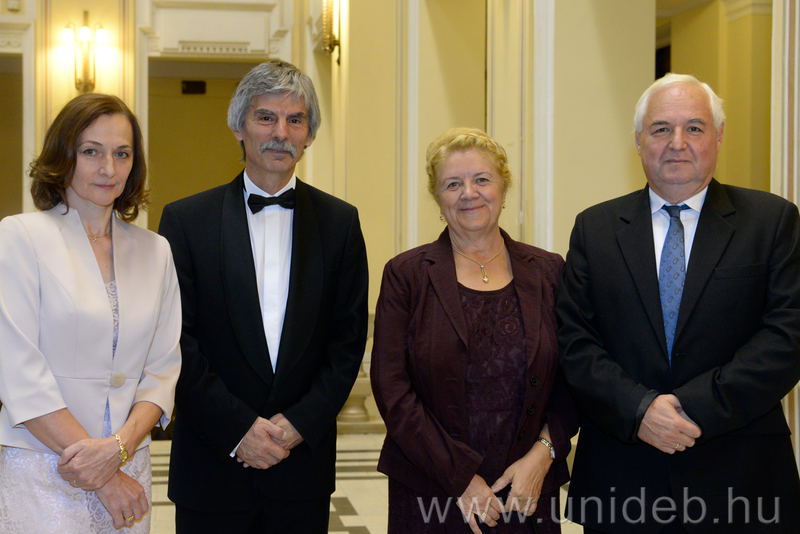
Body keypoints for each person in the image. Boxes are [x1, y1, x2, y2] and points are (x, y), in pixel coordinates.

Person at [557, 73, 800, 534]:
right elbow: (575, 342)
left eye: (694, 127)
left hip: (741, 477)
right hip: (622, 478)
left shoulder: (771, 222)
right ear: (638, 140)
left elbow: (786, 338)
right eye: (661, 128)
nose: (677, 143)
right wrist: (640, 410)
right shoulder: (594, 228)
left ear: (718, 136)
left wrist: (692, 408)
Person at [159, 59, 369, 533]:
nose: (281, 132)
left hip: (301, 470)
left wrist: (298, 425)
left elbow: (348, 340)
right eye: (266, 117)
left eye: (296, 120)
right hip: (211, 466)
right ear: (239, 127)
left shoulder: (341, 223)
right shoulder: (186, 222)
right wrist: (238, 429)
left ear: (310, 135)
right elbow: (176, 341)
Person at [371, 128, 578, 534]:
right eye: (453, 184)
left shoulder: (549, 271)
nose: (469, 193)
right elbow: (391, 388)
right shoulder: (406, 275)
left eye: (482, 179)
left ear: (504, 186)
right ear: (437, 197)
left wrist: (544, 454)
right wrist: (459, 476)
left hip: (527, 488)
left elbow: (573, 375)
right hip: (431, 489)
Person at [0, 93, 182, 532]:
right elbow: (18, 371)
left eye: (122, 154)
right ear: (63, 155)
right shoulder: (19, 237)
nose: (108, 169)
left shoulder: (155, 250)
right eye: (91, 152)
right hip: (45, 465)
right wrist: (104, 476)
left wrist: (119, 450)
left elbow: (162, 369)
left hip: (129, 462)